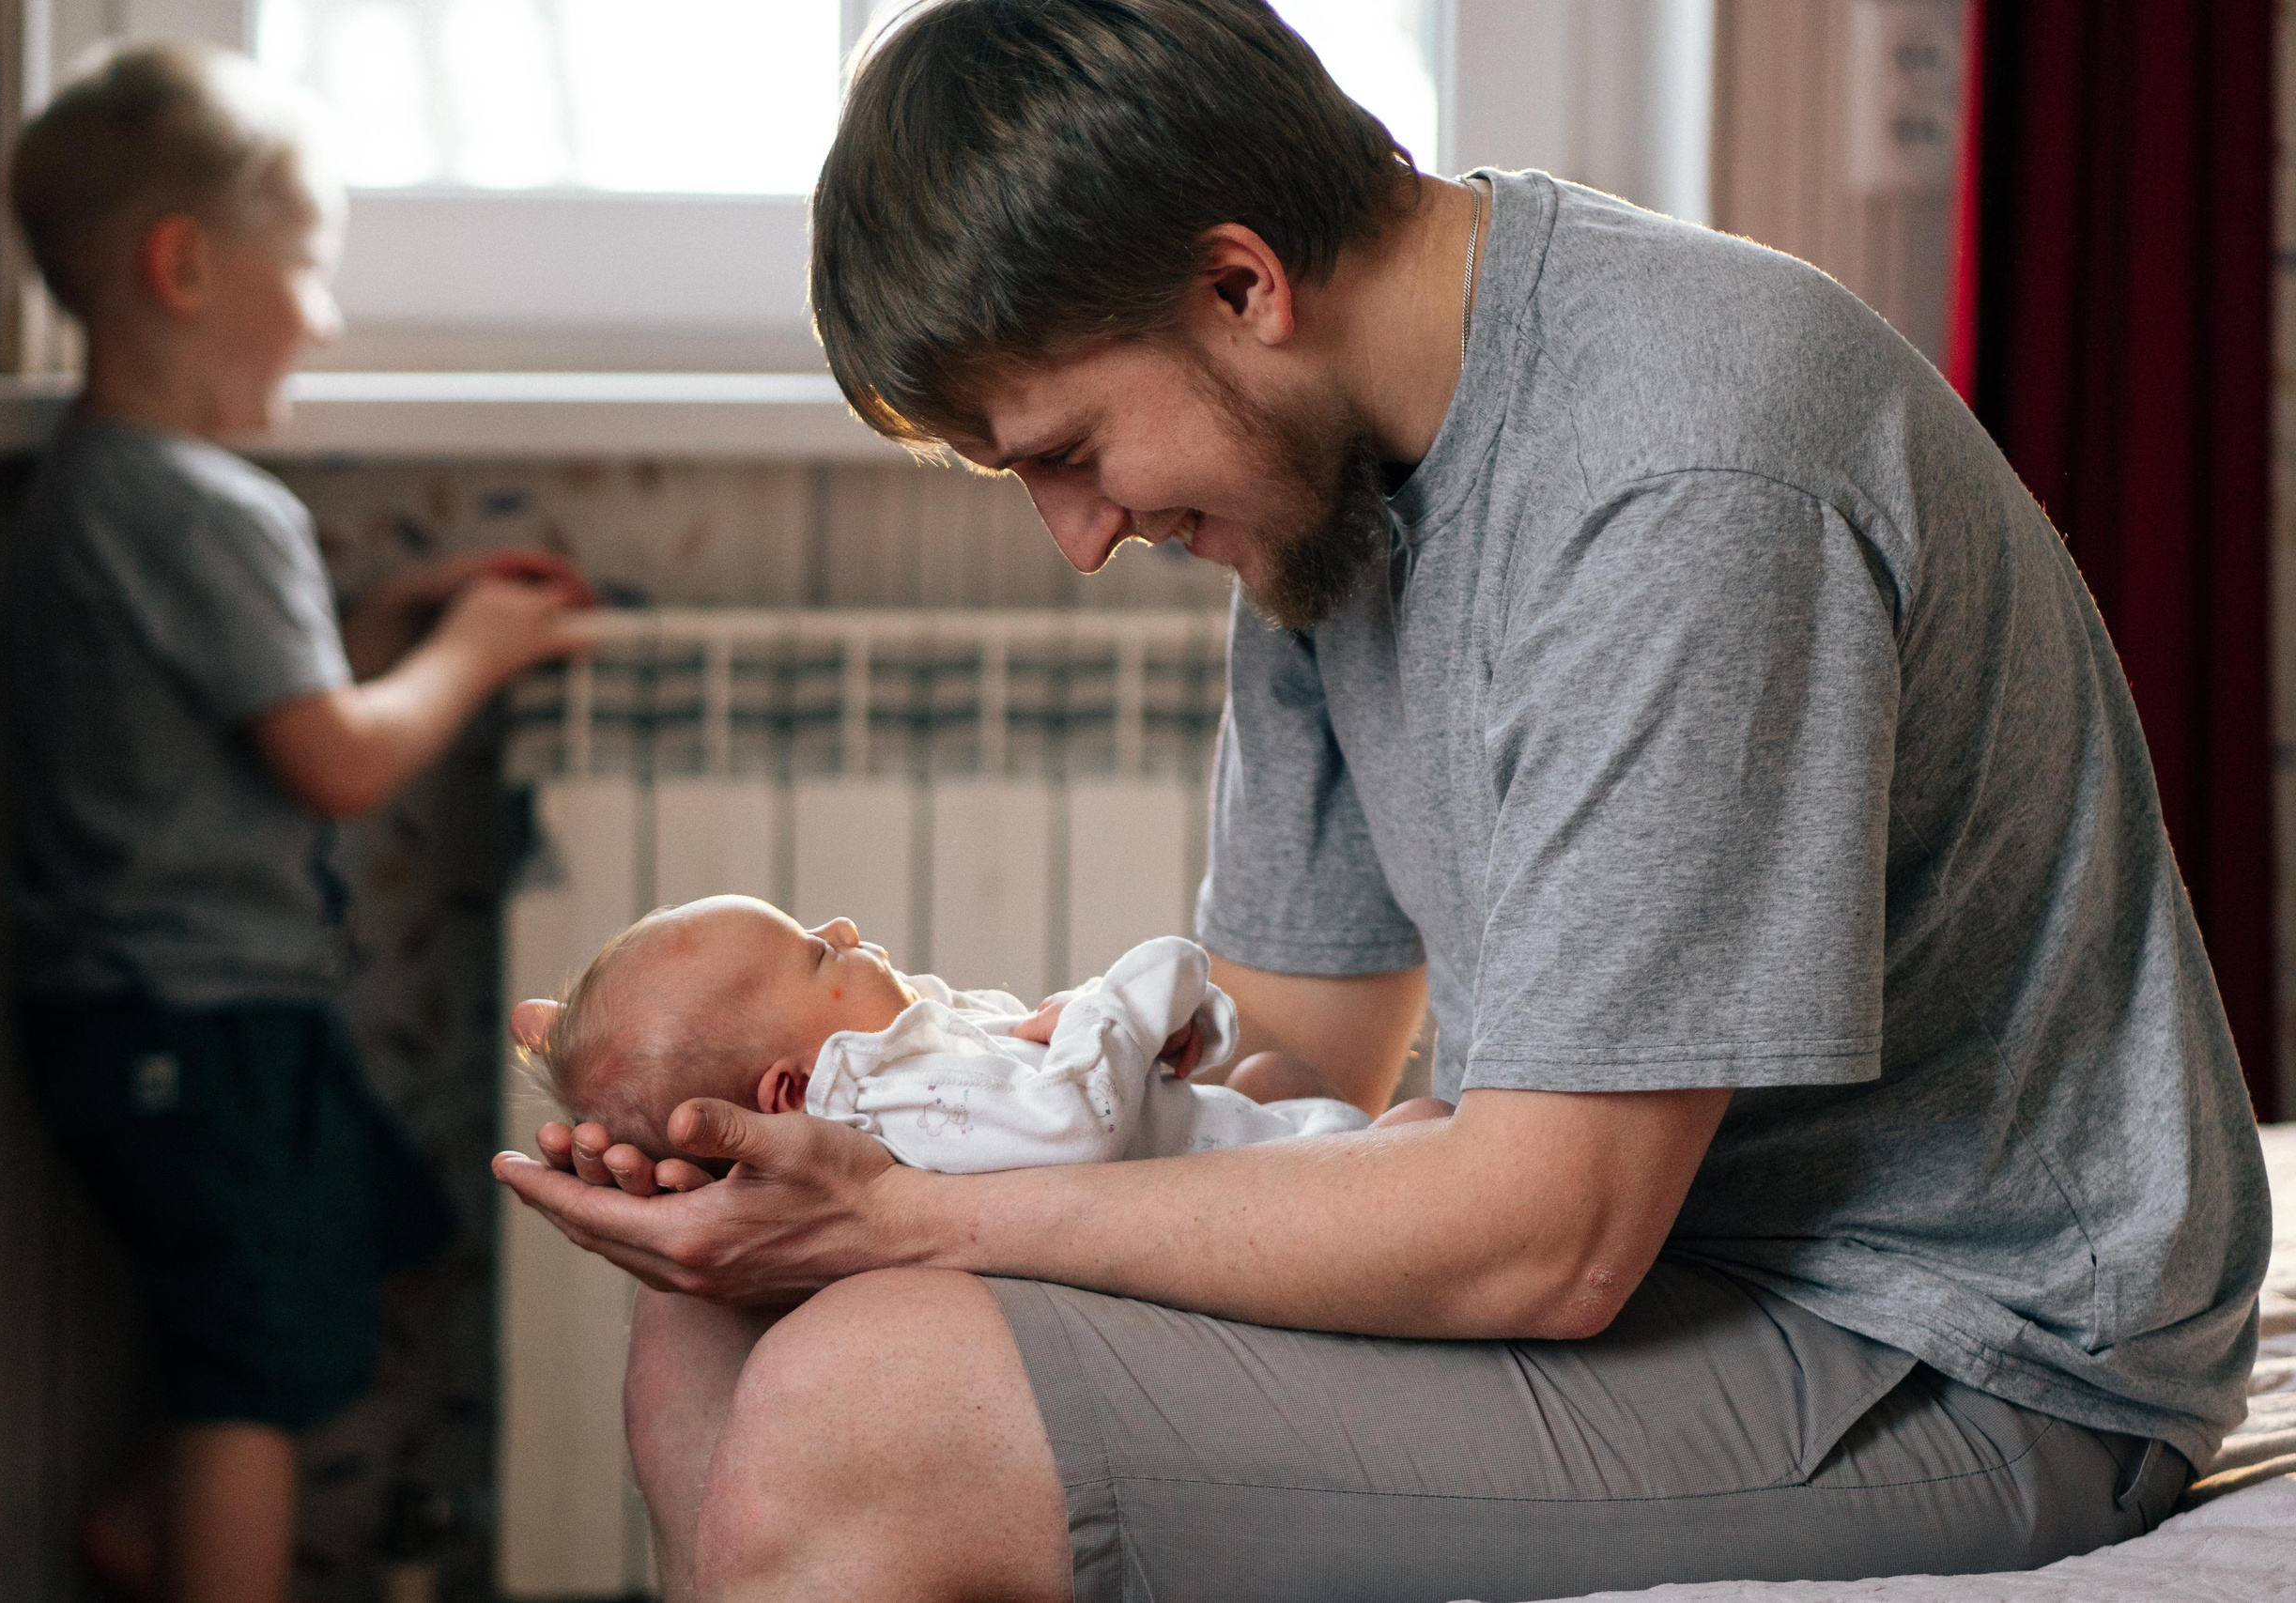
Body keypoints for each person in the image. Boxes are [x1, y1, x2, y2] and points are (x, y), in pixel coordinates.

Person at [494, 3, 2269, 1599]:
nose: (1082, 535)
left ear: (1240, 285)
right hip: (1661, 1270)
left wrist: (910, 1218)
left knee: (862, 1404)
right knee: (721, 1316)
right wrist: (860, 1134)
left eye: (1071, 451)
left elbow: (1553, 1236)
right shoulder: (1327, 479)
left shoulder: (1684, 476)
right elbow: (1289, 1053)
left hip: (1958, 1348)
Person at [7, 42, 593, 1603]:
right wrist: (474, 652)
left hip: (144, 1012)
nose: (326, 319)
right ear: (187, 267)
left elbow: (241, 706)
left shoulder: (93, 486)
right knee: (248, 1374)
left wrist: (390, 628)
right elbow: (330, 757)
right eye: (310, 269)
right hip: (198, 1020)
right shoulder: (213, 508)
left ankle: (142, 1526)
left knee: (349, 1244)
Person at [514, 896, 1405, 1177]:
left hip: (1208, 1139)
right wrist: (1139, 994)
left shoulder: (901, 1062)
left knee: (1274, 1073)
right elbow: (1075, 1120)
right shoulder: (907, 1103)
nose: (844, 926)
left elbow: (1029, 1045)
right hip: (1236, 1189)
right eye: (817, 952)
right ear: (792, 1090)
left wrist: (1155, 1026)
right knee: (1420, 1127)